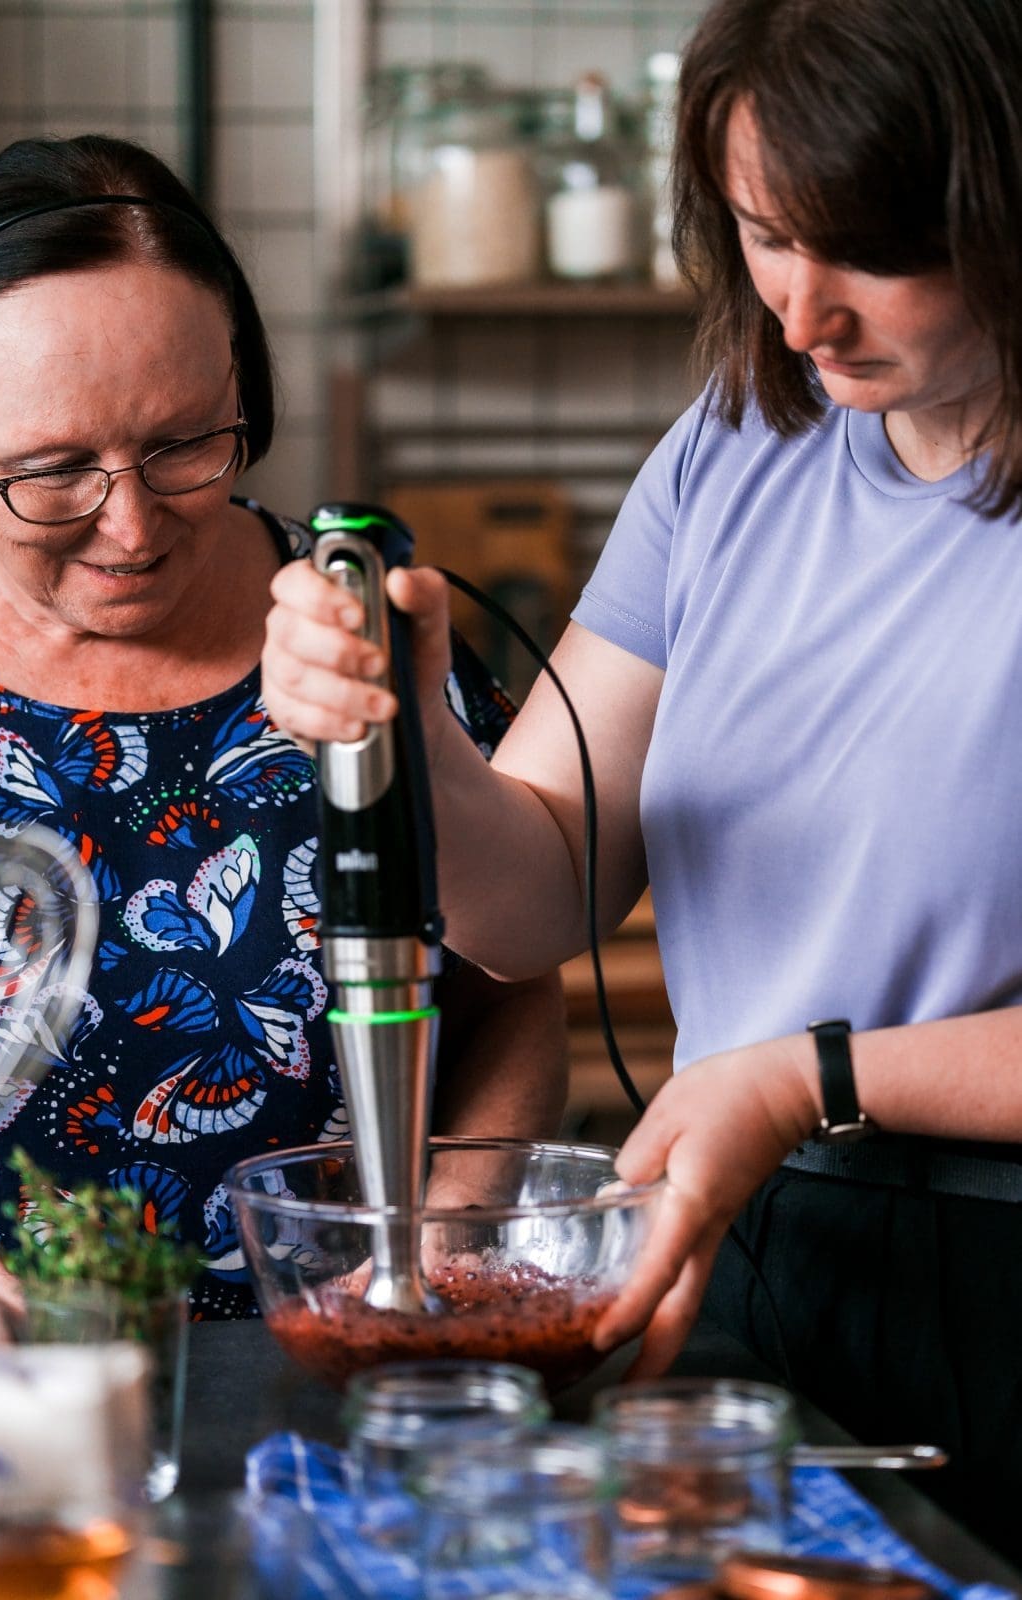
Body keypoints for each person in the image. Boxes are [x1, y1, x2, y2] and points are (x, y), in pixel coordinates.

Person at [262, 0, 1022, 1560]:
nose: (801, 311)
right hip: (743, 1237)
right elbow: (536, 893)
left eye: (866, 251)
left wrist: (805, 1077)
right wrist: (410, 739)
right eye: (763, 234)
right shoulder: (736, 444)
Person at [0, 133, 569, 1327]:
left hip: (333, 1345)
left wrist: (436, 1243)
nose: (131, 526)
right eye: (52, 469)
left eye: (182, 443)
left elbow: (507, 988)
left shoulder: (355, 634)